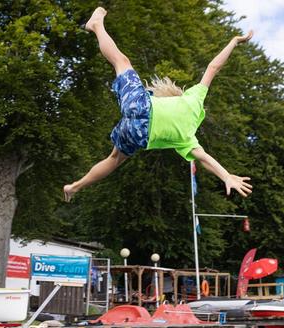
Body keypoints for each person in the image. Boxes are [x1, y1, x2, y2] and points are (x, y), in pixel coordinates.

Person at [63, 7, 253, 201]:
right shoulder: (188, 138)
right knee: (113, 160)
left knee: (121, 61)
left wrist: (234, 42)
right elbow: (205, 159)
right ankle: (74, 187)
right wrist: (225, 175)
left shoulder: (195, 98)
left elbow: (214, 67)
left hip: (141, 104)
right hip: (138, 134)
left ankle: (96, 25)